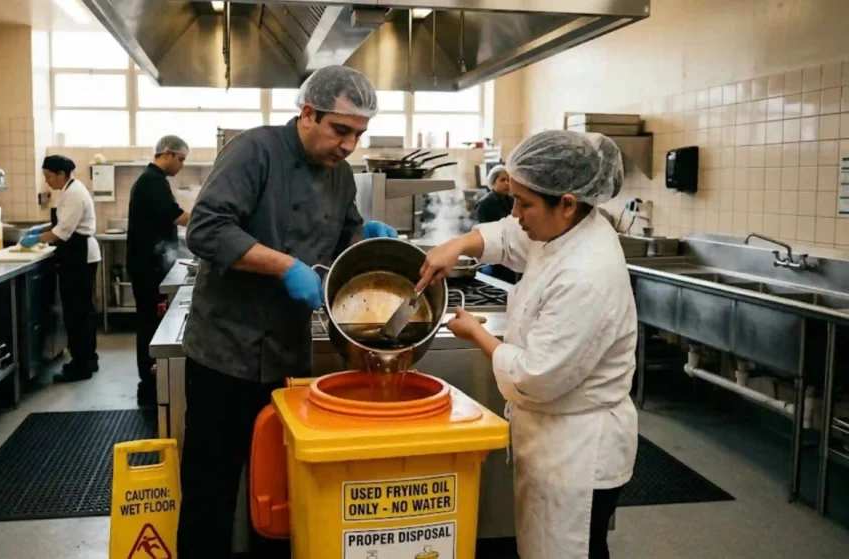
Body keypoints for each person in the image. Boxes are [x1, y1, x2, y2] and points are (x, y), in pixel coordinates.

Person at [177, 65, 397, 557]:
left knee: (278, 492)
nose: (348, 146)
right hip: (225, 354)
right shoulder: (254, 151)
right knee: (210, 491)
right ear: (307, 113)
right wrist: (286, 267)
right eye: (341, 130)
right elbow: (206, 230)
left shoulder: (340, 176)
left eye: (358, 135)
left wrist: (367, 241)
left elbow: (345, 239)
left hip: (286, 357)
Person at [417, 130, 637, 559]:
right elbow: (507, 237)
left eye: (524, 203)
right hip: (553, 438)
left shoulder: (587, 273)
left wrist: (476, 333)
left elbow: (538, 375)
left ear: (567, 202)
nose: (515, 213)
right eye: (513, 198)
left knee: (571, 550)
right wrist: (459, 244)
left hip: (578, 449)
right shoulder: (564, 230)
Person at [20, 155, 102, 382]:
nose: (47, 181)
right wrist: (41, 229)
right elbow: (60, 224)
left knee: (77, 313)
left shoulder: (74, 193)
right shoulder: (70, 190)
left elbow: (62, 232)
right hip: (76, 254)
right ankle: (87, 359)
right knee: (81, 312)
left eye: (49, 176)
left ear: (61, 174)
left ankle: (81, 365)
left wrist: (33, 240)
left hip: (79, 255)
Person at [126, 135, 190, 406]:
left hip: (150, 265)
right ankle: (149, 387)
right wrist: (212, 220)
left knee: (150, 323)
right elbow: (176, 216)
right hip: (148, 268)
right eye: (181, 159)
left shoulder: (153, 180)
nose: (181, 166)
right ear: (167, 153)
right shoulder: (152, 181)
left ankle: (152, 382)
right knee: (150, 325)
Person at [475, 164, 517, 283]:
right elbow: (482, 231)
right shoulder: (485, 204)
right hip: (494, 254)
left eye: (508, 180)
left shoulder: (512, 201)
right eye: (502, 180)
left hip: (511, 251)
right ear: (493, 182)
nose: (506, 183)